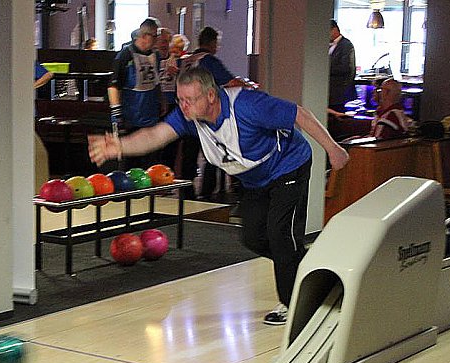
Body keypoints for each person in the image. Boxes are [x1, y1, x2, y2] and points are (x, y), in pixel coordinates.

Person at [88, 67, 349, 325]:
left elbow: (299, 115)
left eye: (190, 100)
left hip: (288, 167)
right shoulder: (189, 117)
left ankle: (296, 306)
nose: (184, 106)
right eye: (180, 100)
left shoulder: (247, 105)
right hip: (255, 179)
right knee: (254, 238)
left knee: (281, 236)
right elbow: (156, 135)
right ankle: (313, 271)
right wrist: (120, 146)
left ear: (211, 96)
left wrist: (333, 150)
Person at [179, 26, 256, 201]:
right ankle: (209, 192)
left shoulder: (186, 61)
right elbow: (231, 82)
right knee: (211, 152)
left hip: (185, 113)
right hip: (203, 114)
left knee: (189, 154)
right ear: (213, 43)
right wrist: (249, 86)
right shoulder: (209, 61)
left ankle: (186, 190)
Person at [108, 17, 162, 167]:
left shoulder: (155, 56)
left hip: (150, 117)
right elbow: (113, 86)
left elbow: (156, 82)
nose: (156, 40)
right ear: (144, 36)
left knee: (150, 162)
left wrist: (161, 101)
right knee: (131, 162)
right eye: (154, 36)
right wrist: (117, 114)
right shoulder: (125, 56)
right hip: (131, 117)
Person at [329, 20, 356, 113]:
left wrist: (326, 70)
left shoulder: (346, 45)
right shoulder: (328, 45)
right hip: (329, 93)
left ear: (334, 29)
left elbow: (346, 67)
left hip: (339, 93)